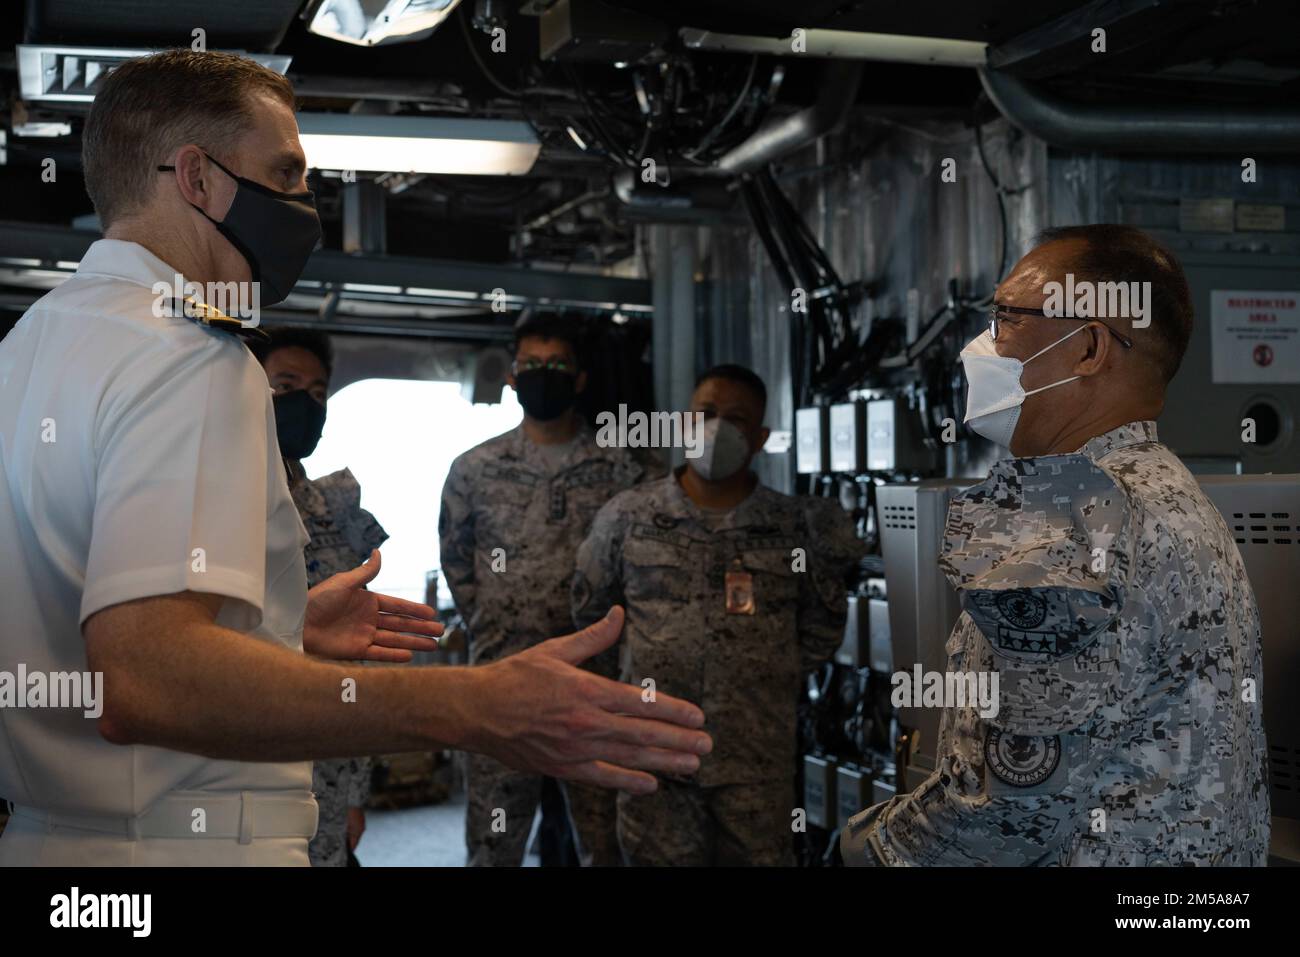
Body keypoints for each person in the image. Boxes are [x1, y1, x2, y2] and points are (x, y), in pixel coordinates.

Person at [0, 49, 710, 867]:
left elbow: (88, 646)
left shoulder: (33, 346)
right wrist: (474, 703)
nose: (306, 201)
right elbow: (145, 681)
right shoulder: (186, 352)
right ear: (195, 177)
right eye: (287, 172)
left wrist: (280, 633)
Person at [841, 224, 1270, 866]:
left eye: (1007, 317)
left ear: (1089, 347)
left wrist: (868, 848)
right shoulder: (1172, 493)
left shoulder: (1068, 518)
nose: (980, 345)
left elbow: (1009, 805)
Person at [571, 365, 863, 865]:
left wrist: (761, 676)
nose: (716, 428)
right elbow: (591, 617)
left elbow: (821, 628)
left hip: (756, 764)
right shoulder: (627, 516)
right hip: (653, 754)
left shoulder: (796, 526)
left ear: (761, 437)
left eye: (737, 419)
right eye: (706, 414)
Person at [439, 314, 664, 866]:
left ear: (580, 379)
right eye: (531, 366)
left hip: (595, 686)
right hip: (501, 681)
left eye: (557, 366)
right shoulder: (475, 468)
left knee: (607, 846)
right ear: (513, 378)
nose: (544, 375)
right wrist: (497, 620)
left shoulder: (622, 469)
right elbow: (456, 561)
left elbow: (641, 566)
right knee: (494, 846)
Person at [252, 327, 384, 867]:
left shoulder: (333, 508)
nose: (304, 403)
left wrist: (354, 793)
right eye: (285, 385)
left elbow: (358, 658)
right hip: (243, 761)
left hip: (326, 766)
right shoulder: (209, 495)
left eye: (317, 392)